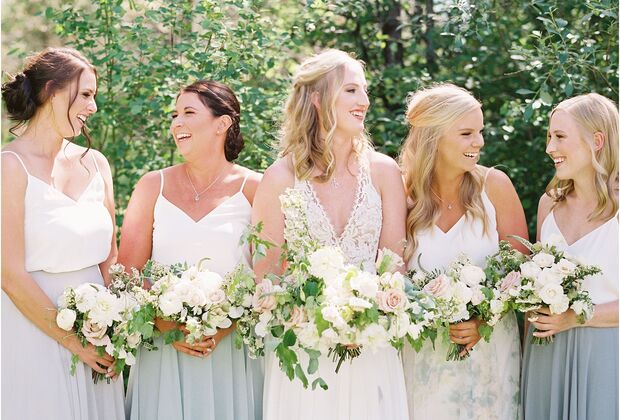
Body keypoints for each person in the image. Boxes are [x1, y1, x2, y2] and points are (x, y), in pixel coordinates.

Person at [252, 49, 409, 420]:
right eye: (351, 90)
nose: (364, 101)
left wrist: (364, 316)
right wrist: (312, 315)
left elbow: (394, 266)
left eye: (364, 90)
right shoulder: (280, 177)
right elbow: (266, 275)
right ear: (317, 97)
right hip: (304, 352)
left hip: (370, 345)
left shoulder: (384, 172)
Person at [118, 80, 263, 420]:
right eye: (175, 115)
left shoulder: (255, 188)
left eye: (188, 113)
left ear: (222, 123)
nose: (177, 123)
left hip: (230, 350)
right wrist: (166, 325)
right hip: (162, 349)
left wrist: (221, 327)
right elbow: (126, 274)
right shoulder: (152, 186)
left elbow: (267, 276)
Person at [1, 47, 124, 419]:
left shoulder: (96, 163)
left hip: (98, 336)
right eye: (85, 94)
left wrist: (117, 327)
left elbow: (111, 257)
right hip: (33, 332)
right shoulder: (10, 167)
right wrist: (74, 342)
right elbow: (8, 273)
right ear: (51, 91)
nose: (93, 107)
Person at [399, 83, 528, 419]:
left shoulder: (495, 187)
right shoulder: (402, 196)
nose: (479, 142)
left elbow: (523, 274)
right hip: (424, 361)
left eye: (480, 131)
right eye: (467, 133)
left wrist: (482, 318)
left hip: (490, 358)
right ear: (434, 138)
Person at [522, 93, 619, 419]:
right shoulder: (548, 204)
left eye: (560, 136)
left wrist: (575, 317)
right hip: (545, 354)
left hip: (605, 357)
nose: (550, 147)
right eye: (550, 137)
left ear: (597, 141)